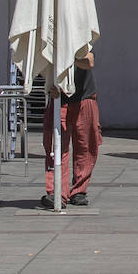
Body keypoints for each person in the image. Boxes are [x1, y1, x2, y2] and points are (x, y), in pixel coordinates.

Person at [40, 47, 101, 208]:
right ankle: (57, 192)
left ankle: (79, 190)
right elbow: (42, 66)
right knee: (55, 146)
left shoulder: (82, 37)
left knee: (86, 145)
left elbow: (89, 61)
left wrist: (67, 56)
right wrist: (50, 83)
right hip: (59, 97)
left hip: (84, 96)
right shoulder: (49, 36)